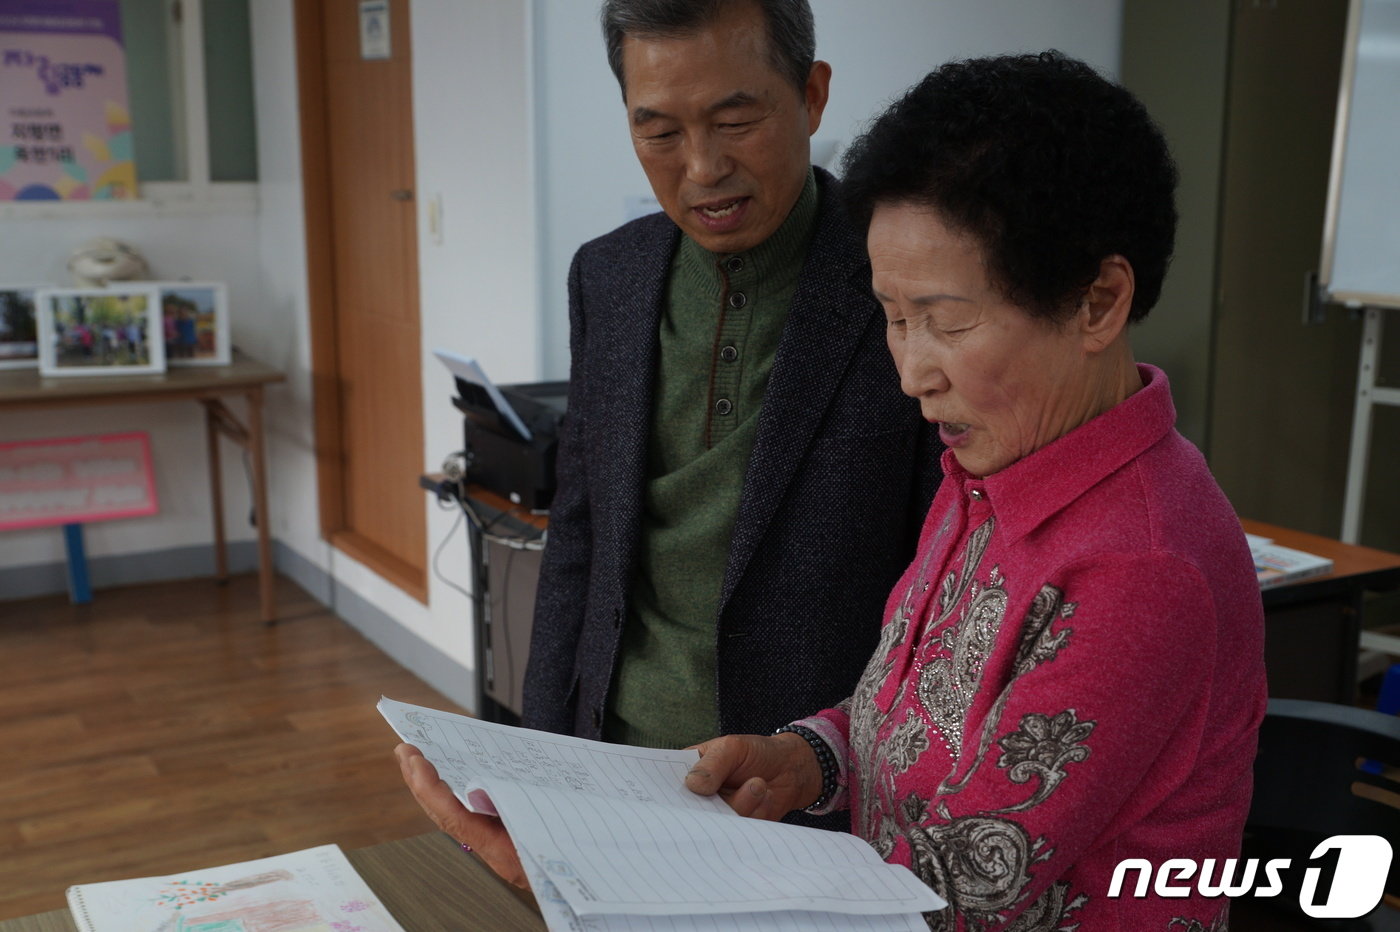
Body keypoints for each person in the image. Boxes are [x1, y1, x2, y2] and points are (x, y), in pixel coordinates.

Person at [682, 52, 1268, 930]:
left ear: (1099, 302)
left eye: (949, 321)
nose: (913, 371)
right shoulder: (989, 467)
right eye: (894, 316)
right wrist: (810, 758)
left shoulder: (1141, 566)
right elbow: (920, 723)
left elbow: (951, 896)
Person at [397, 0, 940, 886]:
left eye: (736, 119)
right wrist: (537, 766)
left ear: (812, 94)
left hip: (804, 798)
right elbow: (577, 538)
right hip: (609, 773)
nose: (702, 169)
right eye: (658, 131)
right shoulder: (607, 276)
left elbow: (938, 590)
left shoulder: (898, 280)